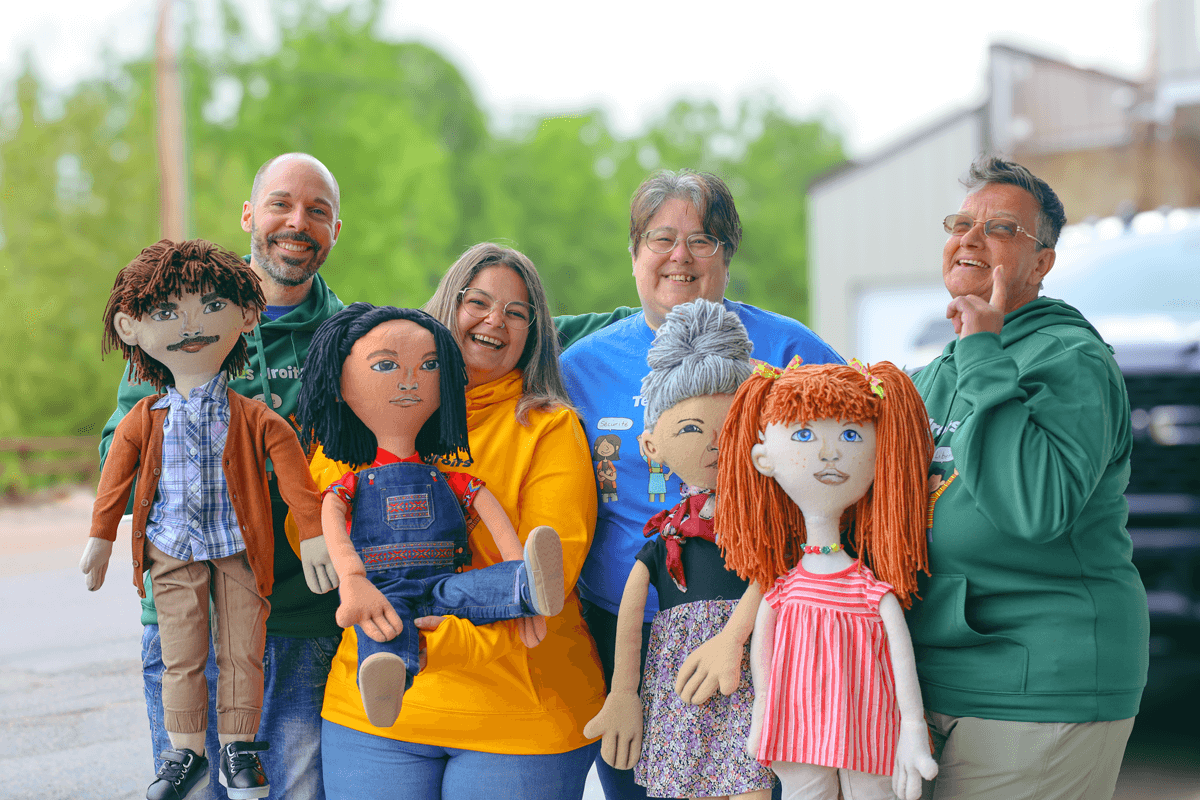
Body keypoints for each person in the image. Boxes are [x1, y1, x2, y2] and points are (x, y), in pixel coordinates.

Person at [560, 168, 843, 800]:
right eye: (660, 239)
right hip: (624, 630)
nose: (680, 257)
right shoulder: (580, 367)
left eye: (702, 240)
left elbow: (855, 464)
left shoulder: (789, 351)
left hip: (764, 623)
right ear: (634, 253)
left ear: (727, 254)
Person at [310, 243, 605, 800]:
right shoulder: (371, 409)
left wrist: (443, 643)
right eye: (478, 302)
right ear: (448, 305)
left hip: (520, 705)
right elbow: (315, 516)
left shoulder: (548, 426)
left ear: (533, 333)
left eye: (517, 313)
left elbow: (554, 566)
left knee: (527, 582)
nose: (495, 320)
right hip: (378, 704)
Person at [99, 153, 346, 800]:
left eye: (317, 211)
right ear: (248, 215)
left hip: (302, 616)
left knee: (294, 790)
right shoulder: (178, 319)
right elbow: (115, 451)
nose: (297, 222)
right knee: (194, 789)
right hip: (188, 613)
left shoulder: (351, 339)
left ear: (335, 230)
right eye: (281, 204)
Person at [907, 157, 1149, 800]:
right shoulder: (932, 374)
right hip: (932, 675)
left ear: (1042, 263)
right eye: (961, 223)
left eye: (1000, 228)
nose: (971, 237)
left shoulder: (1073, 359)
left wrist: (983, 352)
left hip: (1040, 682)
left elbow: (1037, 506)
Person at [294, 303, 566, 728]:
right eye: (386, 366)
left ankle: (527, 585)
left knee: (480, 586)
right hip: (384, 590)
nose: (410, 381)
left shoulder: (449, 476)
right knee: (383, 627)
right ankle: (387, 678)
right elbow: (331, 522)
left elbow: (492, 514)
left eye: (429, 366)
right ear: (341, 385)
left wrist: (517, 566)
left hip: (446, 580)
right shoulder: (349, 482)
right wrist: (352, 579)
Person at [716, 358, 938, 800]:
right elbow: (763, 658)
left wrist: (913, 729)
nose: (829, 453)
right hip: (796, 728)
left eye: (851, 435)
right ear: (763, 458)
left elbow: (901, 662)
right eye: (804, 435)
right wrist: (762, 713)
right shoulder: (783, 591)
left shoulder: (872, 593)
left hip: (869, 728)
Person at [583, 299, 776, 800]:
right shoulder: (665, 535)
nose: (714, 444)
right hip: (678, 688)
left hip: (755, 672)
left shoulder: (761, 524)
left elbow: (772, 572)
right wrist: (623, 693)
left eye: (730, 429)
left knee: (755, 782)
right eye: (691, 429)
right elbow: (631, 619)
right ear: (652, 447)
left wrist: (733, 637)